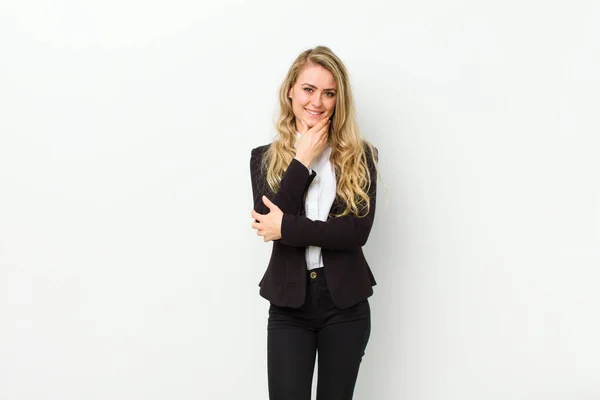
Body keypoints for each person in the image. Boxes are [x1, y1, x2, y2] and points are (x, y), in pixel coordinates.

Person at [249, 45, 380, 400]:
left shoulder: (361, 156)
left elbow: (356, 232)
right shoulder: (264, 159)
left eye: (329, 93)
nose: (317, 102)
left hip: (345, 305)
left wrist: (288, 227)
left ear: (340, 99)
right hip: (289, 307)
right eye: (309, 89)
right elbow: (268, 227)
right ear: (290, 89)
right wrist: (302, 160)